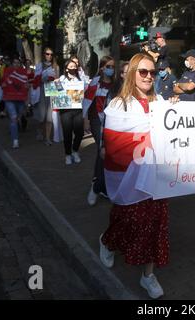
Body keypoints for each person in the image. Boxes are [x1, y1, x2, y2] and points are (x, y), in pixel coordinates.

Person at [99, 53, 176, 299]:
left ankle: (148, 276)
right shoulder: (118, 104)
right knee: (126, 220)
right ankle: (106, 241)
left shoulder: (161, 101)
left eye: (152, 72)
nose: (148, 77)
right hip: (129, 178)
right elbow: (114, 143)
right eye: (143, 72)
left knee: (156, 226)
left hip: (156, 177)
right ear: (132, 73)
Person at [83, 56, 118, 206]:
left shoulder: (117, 85)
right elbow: (87, 101)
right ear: (102, 67)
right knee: (101, 149)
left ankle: (102, 185)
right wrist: (85, 119)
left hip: (113, 121)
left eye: (113, 66)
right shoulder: (95, 82)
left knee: (109, 152)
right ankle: (95, 185)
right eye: (108, 66)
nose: (111, 69)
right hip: (97, 120)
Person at [54, 59, 84, 165]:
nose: (73, 68)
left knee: (79, 133)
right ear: (66, 69)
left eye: (74, 66)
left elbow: (86, 90)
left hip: (78, 109)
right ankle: (67, 154)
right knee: (67, 134)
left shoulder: (80, 78)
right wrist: (56, 85)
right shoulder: (61, 79)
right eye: (71, 67)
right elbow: (56, 93)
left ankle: (75, 151)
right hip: (65, 110)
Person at [31, 47, 60, 146]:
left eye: (51, 54)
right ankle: (39, 130)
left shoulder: (56, 67)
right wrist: (43, 77)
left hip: (52, 92)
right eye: (47, 54)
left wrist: (56, 82)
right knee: (42, 117)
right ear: (44, 54)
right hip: (42, 91)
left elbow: (58, 81)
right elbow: (35, 79)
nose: (49, 56)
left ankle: (47, 138)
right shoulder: (39, 65)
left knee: (49, 118)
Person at [0, 56, 29, 148]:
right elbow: (2, 82)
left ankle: (14, 131)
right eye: (14, 62)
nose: (16, 64)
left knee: (17, 118)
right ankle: (15, 141)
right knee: (13, 118)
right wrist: (3, 84)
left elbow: (26, 84)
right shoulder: (7, 71)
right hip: (9, 99)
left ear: (20, 64)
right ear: (12, 64)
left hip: (20, 99)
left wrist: (27, 86)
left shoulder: (24, 72)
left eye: (18, 63)